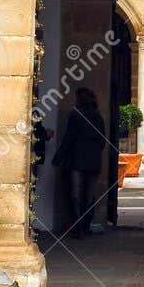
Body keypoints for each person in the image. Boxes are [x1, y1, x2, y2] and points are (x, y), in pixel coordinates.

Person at [52, 86, 107, 239]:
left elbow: (68, 139)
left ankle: (78, 228)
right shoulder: (98, 118)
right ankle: (85, 226)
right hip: (93, 162)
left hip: (77, 161)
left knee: (76, 195)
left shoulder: (75, 117)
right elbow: (102, 141)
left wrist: (58, 158)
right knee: (89, 197)